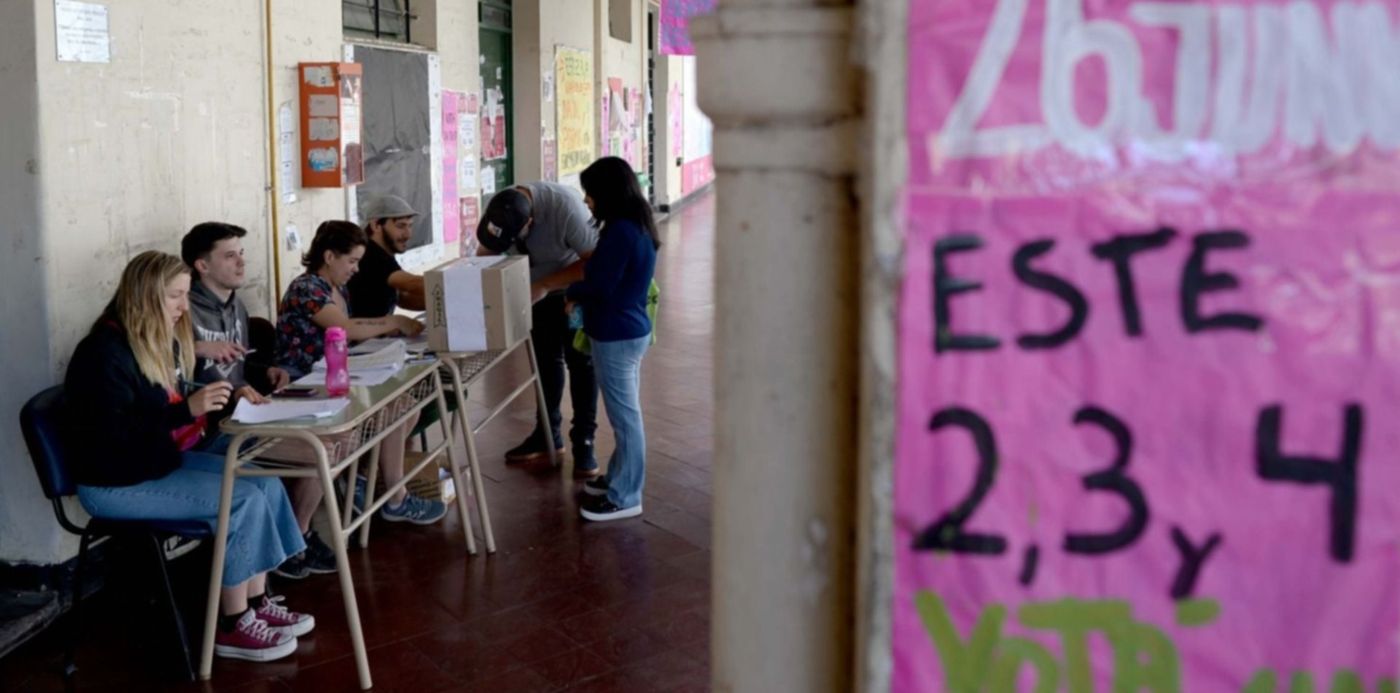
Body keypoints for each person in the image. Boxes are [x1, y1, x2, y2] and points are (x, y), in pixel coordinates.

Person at [64, 251, 313, 662]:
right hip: (114, 483)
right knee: (243, 498)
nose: (184, 308)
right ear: (145, 297)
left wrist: (222, 395)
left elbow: (168, 396)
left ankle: (257, 600)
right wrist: (186, 410)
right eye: (176, 297)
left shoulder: (143, 340)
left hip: (152, 464)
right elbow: (113, 436)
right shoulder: (102, 354)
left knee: (262, 481)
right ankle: (234, 625)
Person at [180, 222, 336, 580]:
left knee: (329, 439)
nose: (241, 263)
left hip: (244, 414)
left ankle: (296, 536)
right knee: (316, 449)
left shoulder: (237, 307)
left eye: (242, 254)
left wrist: (266, 370)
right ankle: (293, 541)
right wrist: (196, 349)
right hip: (208, 431)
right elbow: (172, 373)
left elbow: (236, 364)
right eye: (230, 255)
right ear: (202, 266)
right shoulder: (182, 313)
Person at [275, 220, 447, 525]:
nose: (356, 269)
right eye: (352, 261)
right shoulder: (306, 288)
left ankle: (388, 491)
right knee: (354, 433)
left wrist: (384, 337)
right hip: (306, 384)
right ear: (329, 257)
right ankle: (382, 494)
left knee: (403, 406)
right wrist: (393, 322)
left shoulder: (337, 288)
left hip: (336, 376)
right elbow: (344, 327)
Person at [477, 180, 601, 477]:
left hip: (573, 292)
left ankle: (584, 442)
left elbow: (594, 262)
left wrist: (545, 285)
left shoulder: (566, 209)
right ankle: (547, 434)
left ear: (530, 221)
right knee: (545, 363)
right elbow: (486, 253)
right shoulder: (502, 208)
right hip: (534, 290)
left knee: (581, 364)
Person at [567, 157, 660, 521]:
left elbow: (601, 286)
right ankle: (618, 478)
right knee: (625, 413)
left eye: (590, 192)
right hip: (629, 328)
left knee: (625, 418)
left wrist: (572, 291)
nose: (587, 200)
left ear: (607, 192)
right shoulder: (636, 225)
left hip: (616, 333)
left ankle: (626, 495)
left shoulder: (620, 231)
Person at [347, 194, 425, 318]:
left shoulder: (384, 251)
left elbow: (402, 298)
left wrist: (441, 304)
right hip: (359, 335)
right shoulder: (370, 254)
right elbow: (412, 284)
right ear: (376, 225)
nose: (408, 234)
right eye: (401, 226)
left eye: (410, 226)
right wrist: (453, 287)